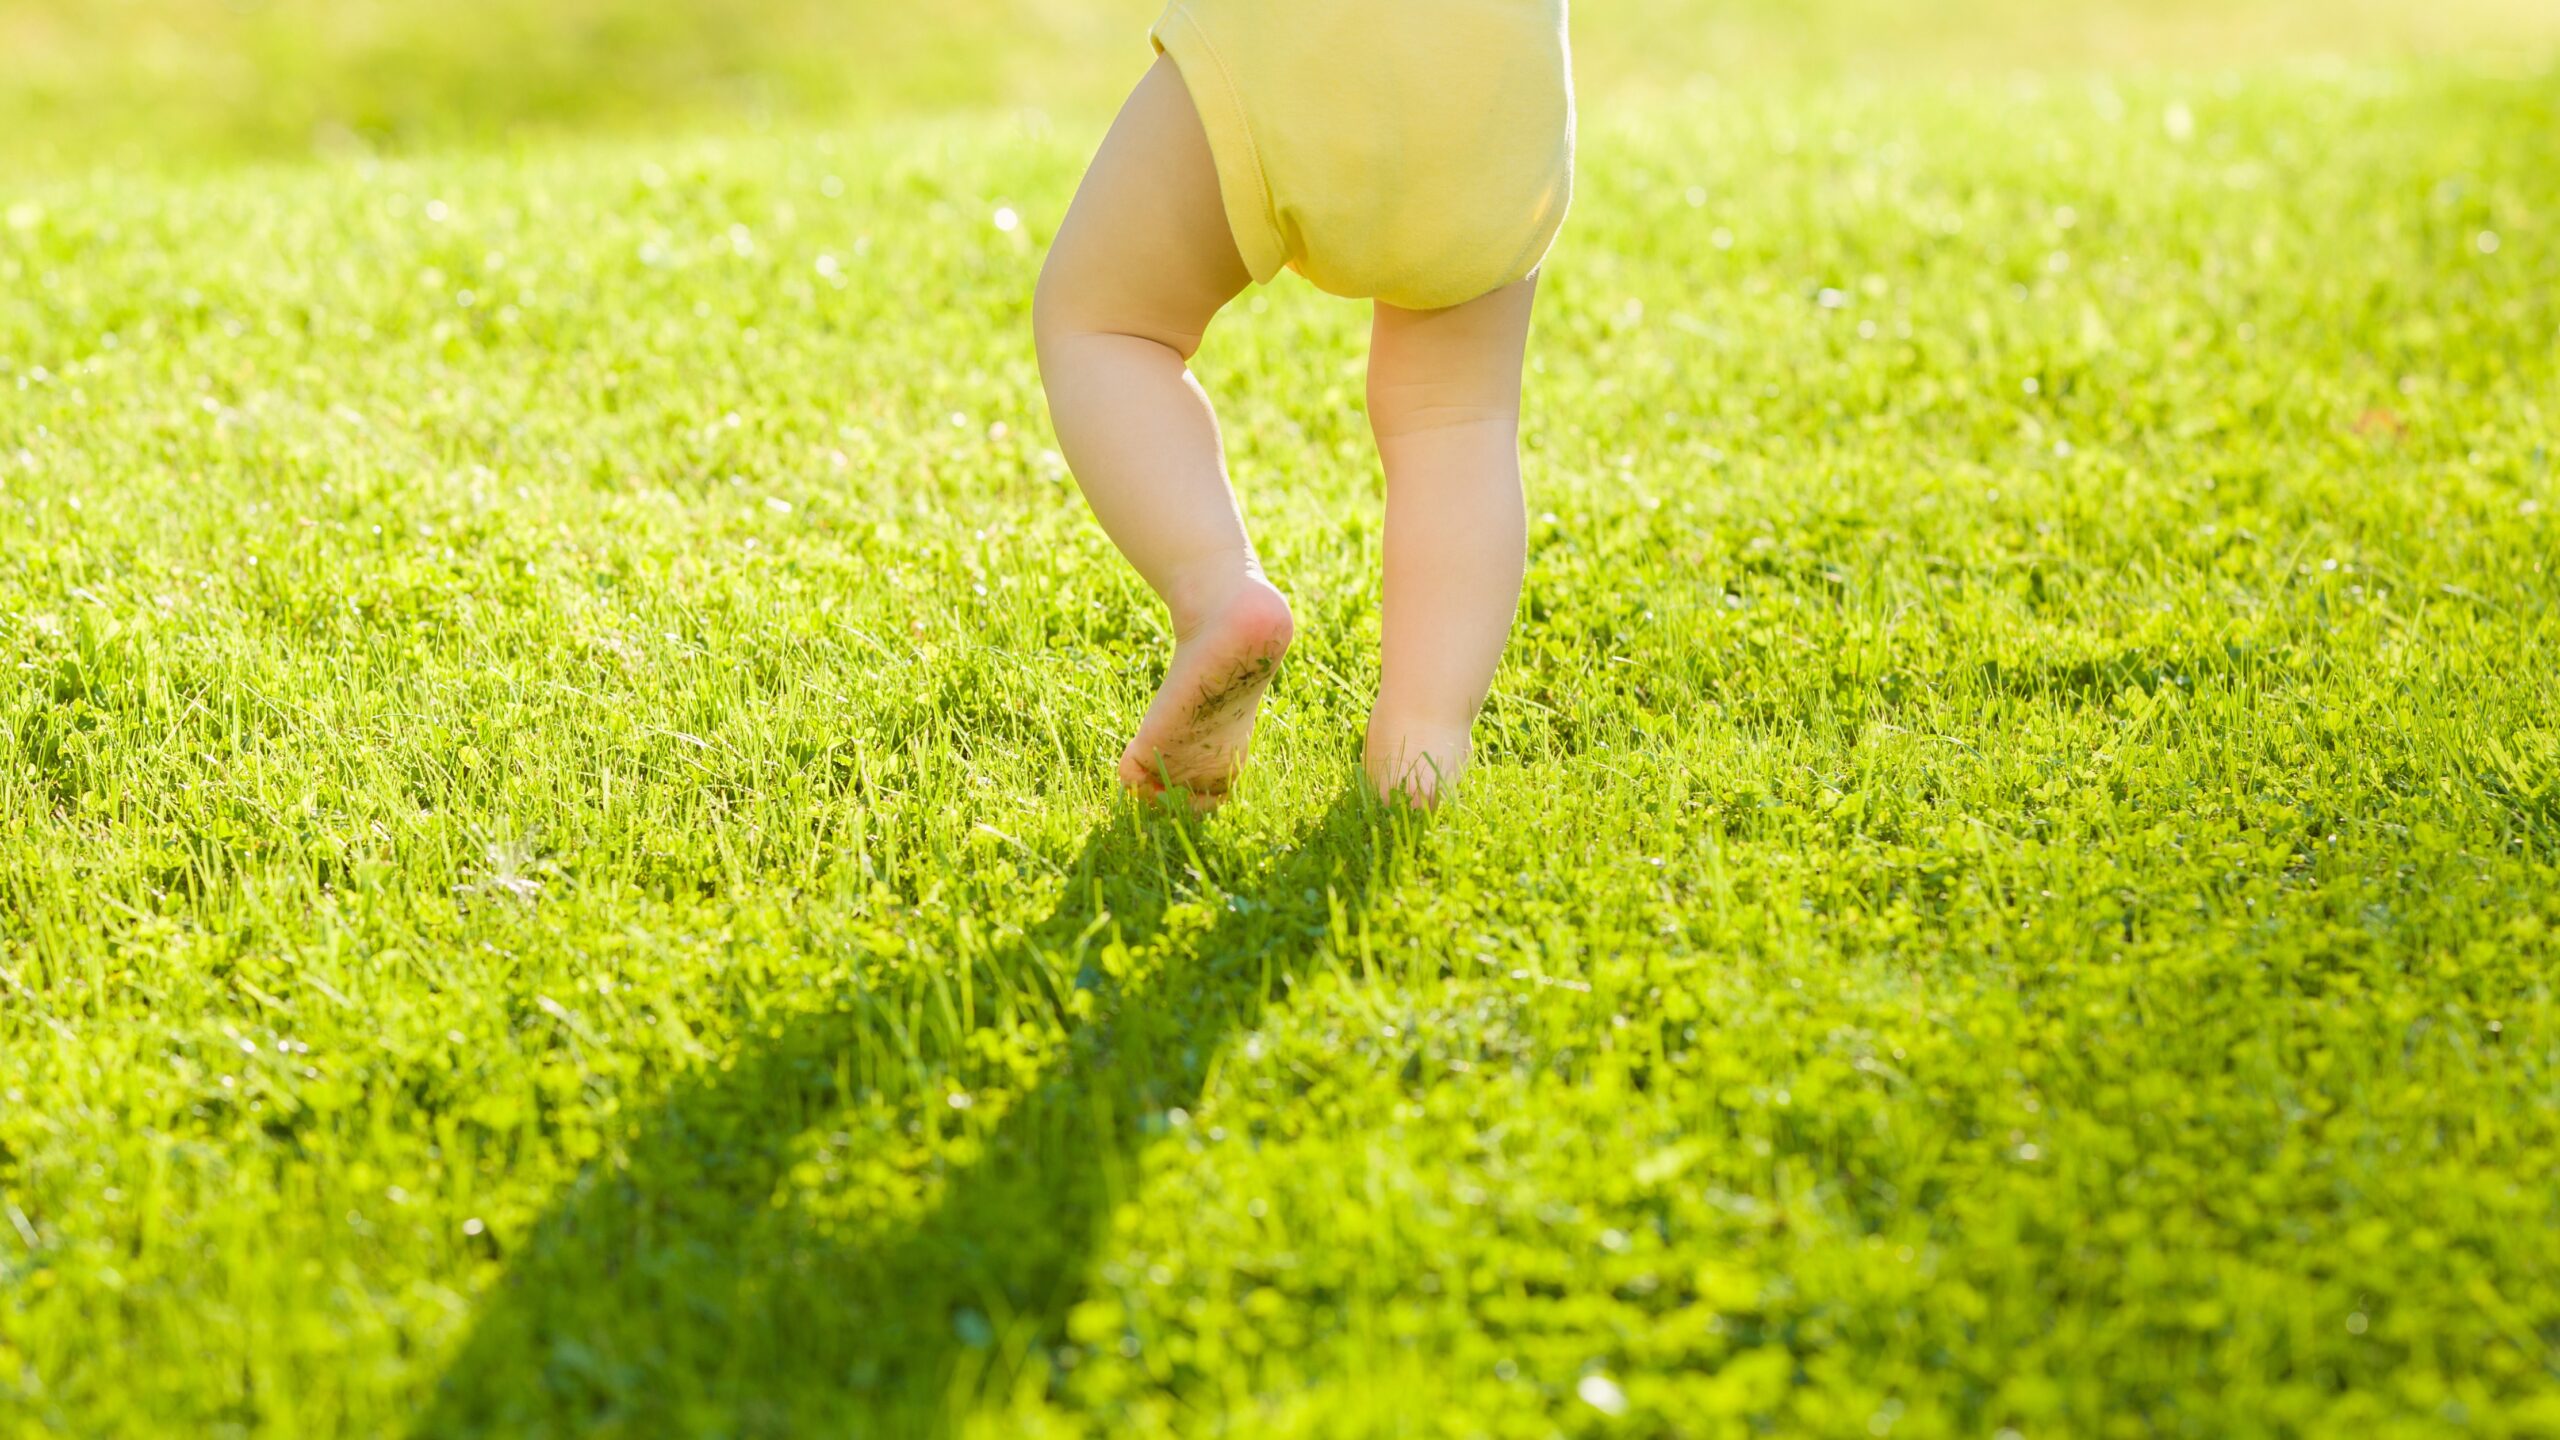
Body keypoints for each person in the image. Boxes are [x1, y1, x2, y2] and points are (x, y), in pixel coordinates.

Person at [1034, 0, 1574, 810]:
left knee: (1109, 326)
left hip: (1287, 45)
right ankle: (1421, 744)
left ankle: (1218, 588)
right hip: (1490, 84)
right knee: (1456, 420)